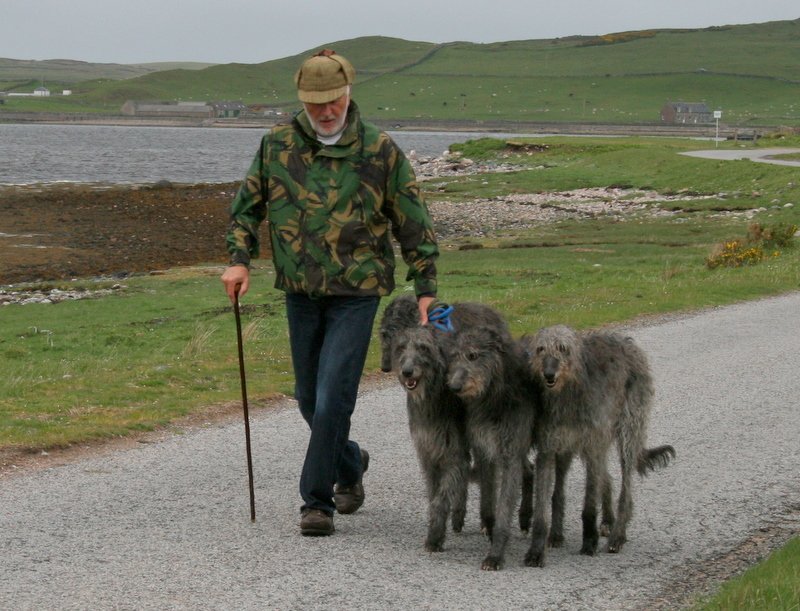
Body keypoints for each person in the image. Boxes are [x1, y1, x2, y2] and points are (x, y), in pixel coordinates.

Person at [221, 49, 440, 537]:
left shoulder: (380, 150)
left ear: (349, 93)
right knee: (308, 399)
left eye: (333, 101)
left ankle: (316, 502)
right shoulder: (276, 145)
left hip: (357, 291)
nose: (325, 111)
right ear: (302, 100)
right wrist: (238, 259)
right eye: (315, 103)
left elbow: (413, 221)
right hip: (300, 290)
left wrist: (426, 288)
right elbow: (246, 208)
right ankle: (351, 462)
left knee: (332, 398)